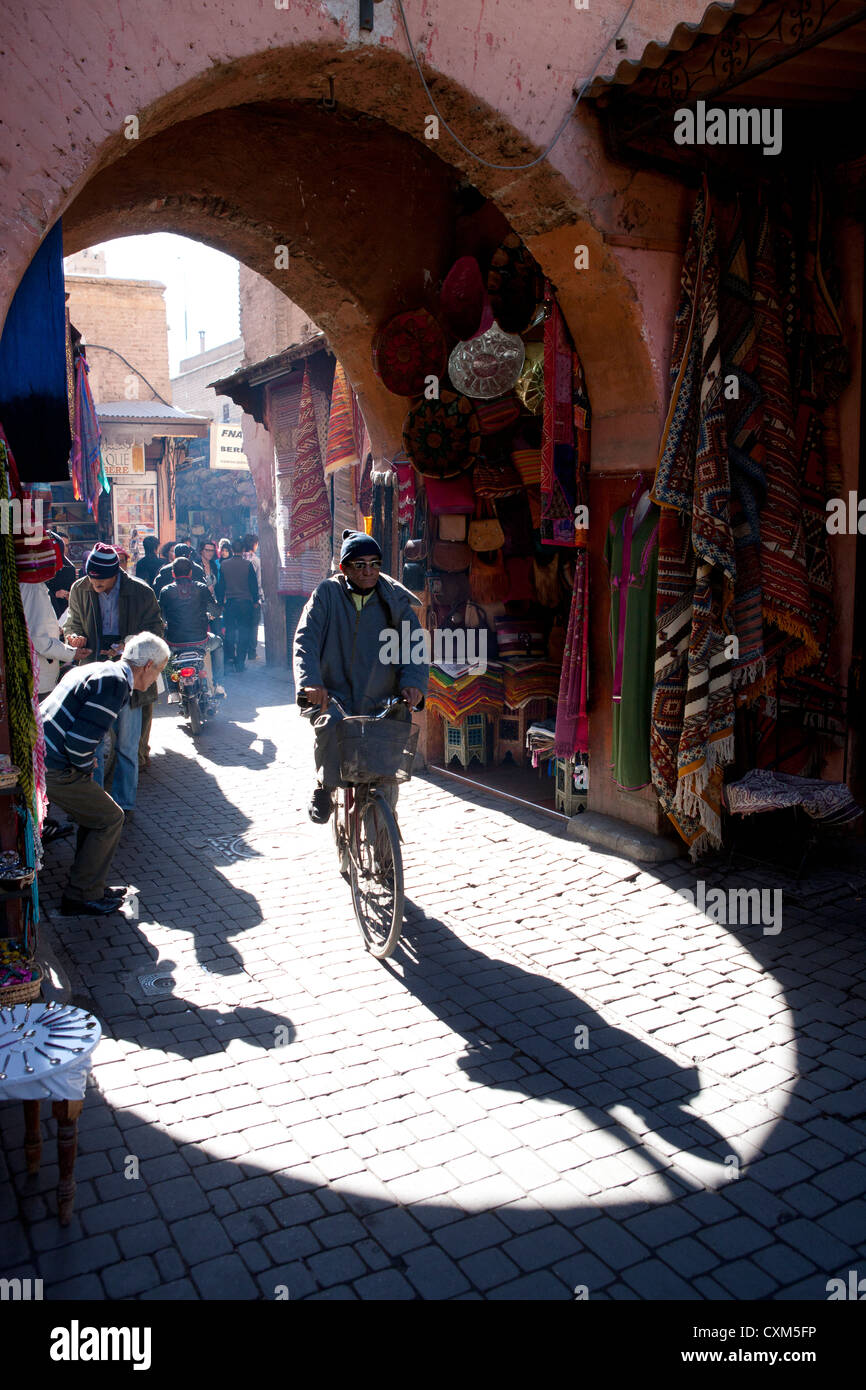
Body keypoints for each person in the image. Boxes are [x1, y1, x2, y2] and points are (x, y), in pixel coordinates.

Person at [293, 530, 427, 824]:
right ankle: (324, 786)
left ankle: (386, 853)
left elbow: (413, 643)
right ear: (344, 568)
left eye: (374, 564)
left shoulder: (392, 599)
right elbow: (306, 640)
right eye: (360, 565)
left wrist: (413, 684)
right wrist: (311, 681)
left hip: (379, 693)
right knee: (329, 727)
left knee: (388, 759)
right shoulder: (327, 595)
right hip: (334, 694)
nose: (369, 571)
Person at [41, 633, 170, 915]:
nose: (154, 680)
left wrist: (86, 764)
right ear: (148, 665)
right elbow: (80, 742)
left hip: (44, 752)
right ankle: (81, 894)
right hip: (51, 762)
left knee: (98, 815)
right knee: (111, 818)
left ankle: (91, 886)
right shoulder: (115, 684)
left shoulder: (101, 669)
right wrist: (86, 767)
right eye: (159, 671)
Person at [62, 542, 165, 810]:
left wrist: (128, 644)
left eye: (101, 579)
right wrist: (73, 636)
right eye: (91, 577)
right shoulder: (80, 588)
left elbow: (155, 628)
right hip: (94, 673)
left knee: (127, 747)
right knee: (92, 746)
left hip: (129, 674)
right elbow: (72, 619)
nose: (95, 583)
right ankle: (94, 805)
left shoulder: (141, 592)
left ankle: (124, 805)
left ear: (116, 573)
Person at [159, 555, 225, 692]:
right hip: (201, 641)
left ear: (173, 573)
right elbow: (216, 611)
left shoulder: (166, 591)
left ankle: (172, 690)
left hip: (174, 644)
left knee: (163, 655)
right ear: (190, 572)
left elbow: (160, 616)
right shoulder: (201, 588)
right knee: (218, 643)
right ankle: (218, 683)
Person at [216, 539, 259, 673]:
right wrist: (255, 601)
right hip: (246, 603)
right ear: (243, 550)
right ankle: (240, 662)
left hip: (230, 603)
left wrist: (221, 602)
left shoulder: (224, 565)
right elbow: (253, 585)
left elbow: (221, 585)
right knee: (244, 632)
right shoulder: (248, 564)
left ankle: (231, 659)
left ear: (232, 550)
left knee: (230, 632)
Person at [46, 532, 76, 619]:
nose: (65, 549)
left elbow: (72, 589)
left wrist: (70, 595)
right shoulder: (42, 568)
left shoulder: (70, 568)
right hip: (48, 612)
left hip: (64, 613)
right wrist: (55, 594)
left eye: (66, 546)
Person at [242, 534, 262, 661]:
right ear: (255, 544)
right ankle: (252, 653)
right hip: (253, 597)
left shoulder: (239, 559)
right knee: (253, 625)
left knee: (243, 626)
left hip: (241, 597)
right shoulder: (256, 560)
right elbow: (259, 581)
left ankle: (242, 652)